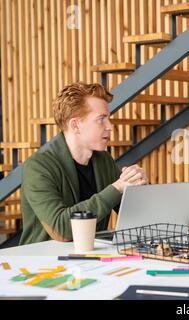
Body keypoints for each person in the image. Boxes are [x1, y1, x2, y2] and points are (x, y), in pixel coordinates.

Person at [20, 82, 148, 245]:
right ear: (75, 125)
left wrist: (138, 186)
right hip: (44, 264)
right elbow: (62, 228)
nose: (110, 126)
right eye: (101, 119)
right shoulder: (37, 167)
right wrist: (117, 187)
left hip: (91, 258)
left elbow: (134, 215)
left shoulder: (104, 160)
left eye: (108, 119)